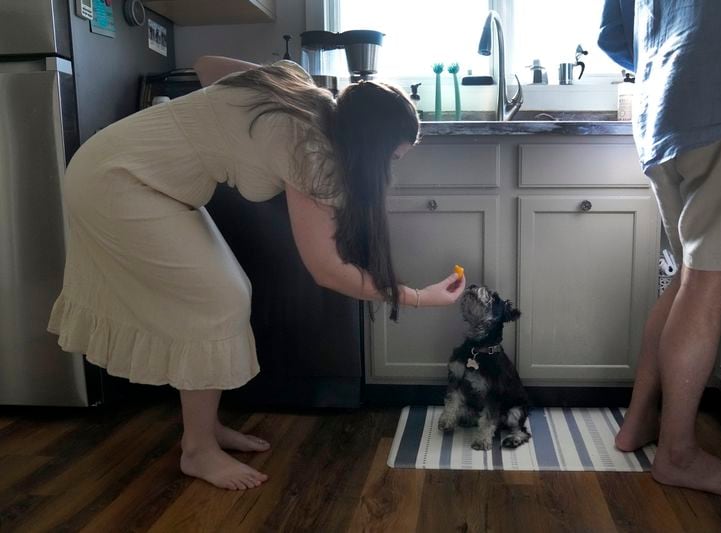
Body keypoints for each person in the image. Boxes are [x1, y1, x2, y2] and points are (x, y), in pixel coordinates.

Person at [47, 56, 465, 491]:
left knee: (228, 293)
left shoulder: (294, 83)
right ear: (370, 146)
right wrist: (418, 296)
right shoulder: (310, 153)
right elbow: (328, 271)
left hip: (142, 177)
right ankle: (198, 451)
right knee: (219, 299)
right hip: (117, 181)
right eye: (393, 157)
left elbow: (208, 65)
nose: (391, 171)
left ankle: (205, 430)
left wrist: (221, 122)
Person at [598, 0, 721, 498]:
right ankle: (678, 454)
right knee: (709, 287)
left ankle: (639, 422)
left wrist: (678, 61)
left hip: (662, 110)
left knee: (690, 279)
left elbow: (614, 38)